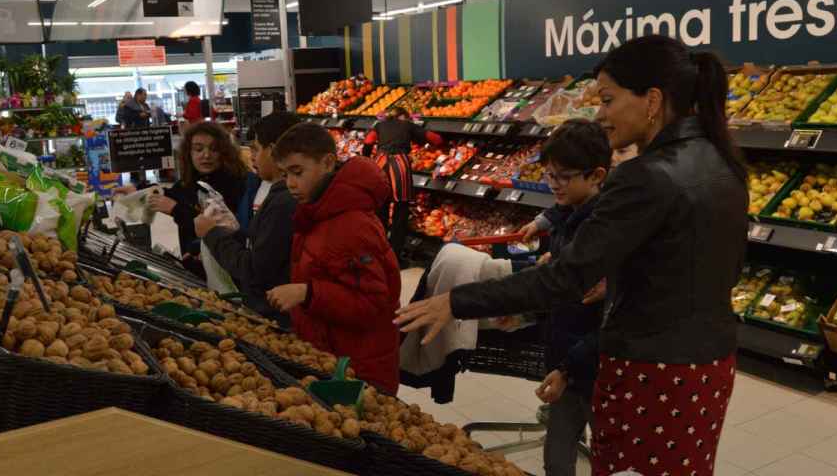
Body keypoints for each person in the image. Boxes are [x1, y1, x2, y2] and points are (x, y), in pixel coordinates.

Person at [396, 34, 748, 476]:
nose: (600, 115)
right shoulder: (723, 162)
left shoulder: (644, 177)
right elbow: (718, 268)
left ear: (652, 100)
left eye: (608, 99)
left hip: (650, 370)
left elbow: (564, 278)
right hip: (708, 366)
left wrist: (456, 300)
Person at [266, 122, 401, 394]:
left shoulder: (350, 225)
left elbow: (371, 304)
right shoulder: (319, 213)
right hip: (334, 358)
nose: (290, 184)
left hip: (359, 372)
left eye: (297, 172)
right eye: (285, 174)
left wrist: (308, 293)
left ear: (328, 162)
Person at [512, 119, 610, 476]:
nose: (553, 184)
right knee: (557, 457)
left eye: (563, 176)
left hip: (595, 362)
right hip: (566, 355)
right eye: (549, 175)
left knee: (606, 450)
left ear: (597, 175)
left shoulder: (604, 227)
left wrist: (569, 368)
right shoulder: (570, 212)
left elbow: (609, 317)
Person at [195, 112, 300, 325]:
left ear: (273, 151)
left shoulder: (284, 202)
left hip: (276, 316)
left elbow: (254, 269)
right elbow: (259, 242)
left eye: (255, 149)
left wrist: (212, 234)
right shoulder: (270, 190)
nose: (251, 155)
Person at [116, 122, 248, 269]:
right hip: (195, 265)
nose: (206, 155)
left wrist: (175, 209)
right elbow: (172, 193)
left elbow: (220, 227)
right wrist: (137, 191)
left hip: (224, 267)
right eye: (198, 149)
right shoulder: (192, 180)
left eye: (214, 149)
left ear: (224, 152)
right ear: (189, 153)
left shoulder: (236, 184)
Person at [362, 106, 443, 259]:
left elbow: (368, 140)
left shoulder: (379, 125)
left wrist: (366, 157)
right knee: (401, 209)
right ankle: (394, 255)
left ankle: (378, 252)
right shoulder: (407, 125)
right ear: (402, 117)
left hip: (380, 162)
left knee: (381, 209)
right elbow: (435, 138)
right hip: (399, 164)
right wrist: (439, 145)